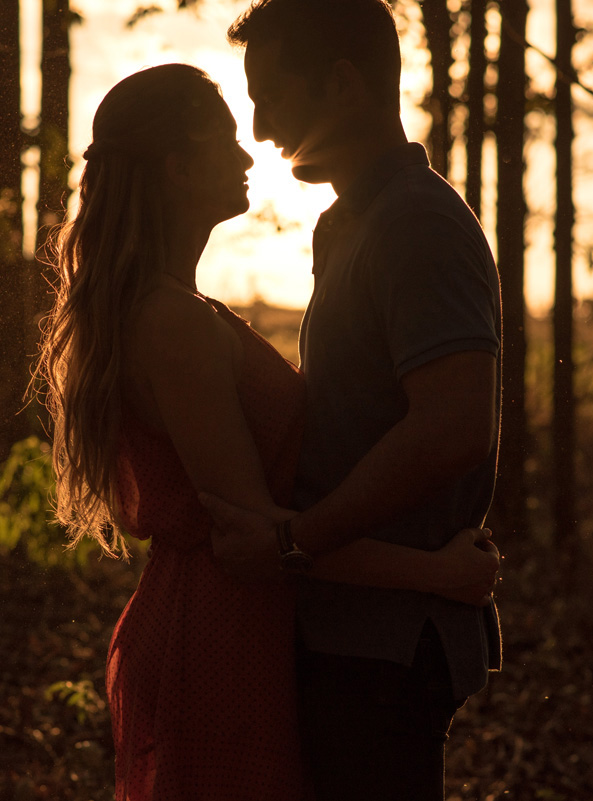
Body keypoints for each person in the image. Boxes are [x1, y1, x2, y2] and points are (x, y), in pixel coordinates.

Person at [37, 63, 499, 800]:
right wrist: (435, 573)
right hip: (217, 631)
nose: (252, 153)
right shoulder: (171, 324)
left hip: (235, 625)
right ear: (179, 168)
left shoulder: (177, 310)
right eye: (225, 140)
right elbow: (255, 543)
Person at [199, 1, 505, 799]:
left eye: (272, 97)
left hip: (386, 645)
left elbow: (454, 424)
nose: (261, 129)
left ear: (341, 84)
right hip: (352, 630)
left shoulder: (418, 223)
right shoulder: (355, 222)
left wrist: (298, 540)